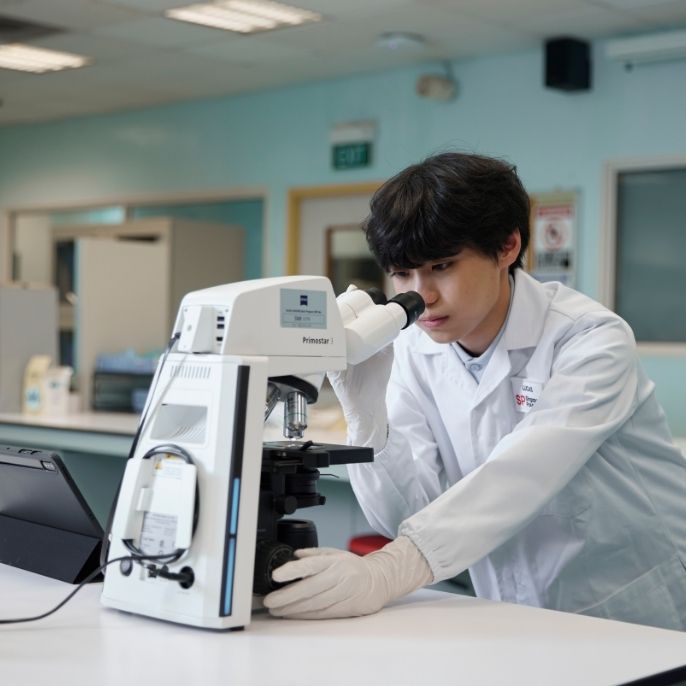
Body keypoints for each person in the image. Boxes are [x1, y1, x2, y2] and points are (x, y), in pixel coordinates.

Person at [263, 152, 686, 630]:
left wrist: (387, 571)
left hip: (636, 606)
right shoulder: (417, 352)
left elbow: (520, 475)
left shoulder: (589, 339)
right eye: (403, 274)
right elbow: (406, 514)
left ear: (507, 246)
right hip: (510, 610)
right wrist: (367, 421)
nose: (422, 297)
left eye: (442, 265)